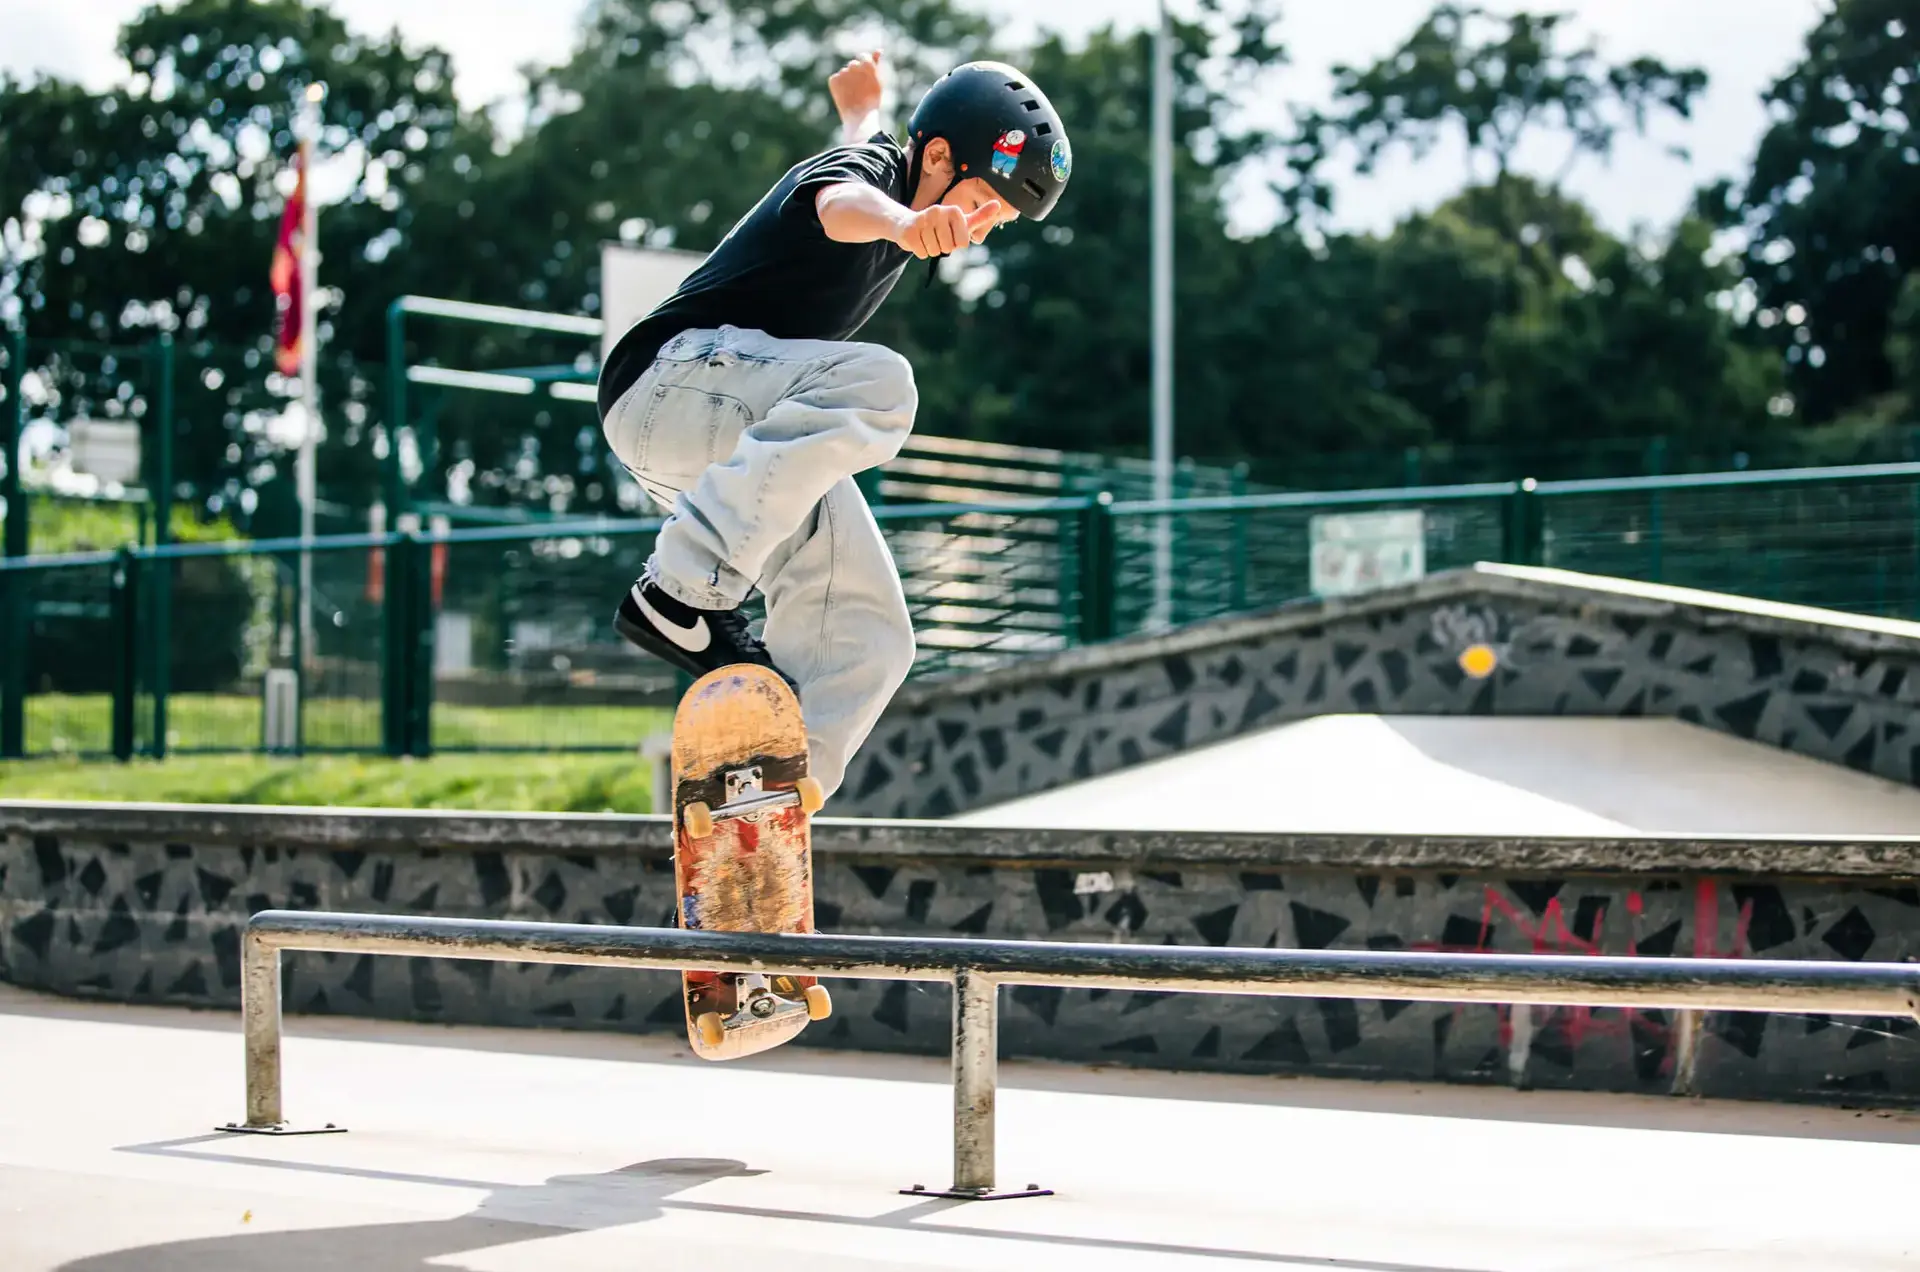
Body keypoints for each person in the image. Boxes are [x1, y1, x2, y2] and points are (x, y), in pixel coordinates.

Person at [595, 53, 1073, 800]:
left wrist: (861, 102)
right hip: (667, 382)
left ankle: (772, 789)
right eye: (982, 203)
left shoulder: (892, 152)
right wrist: (907, 223)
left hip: (739, 439)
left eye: (997, 222)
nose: (978, 229)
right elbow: (839, 201)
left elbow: (874, 134)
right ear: (940, 159)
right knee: (879, 382)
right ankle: (677, 592)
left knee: (871, 635)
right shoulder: (871, 178)